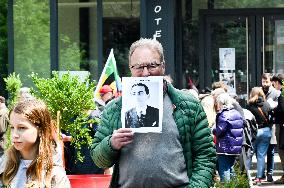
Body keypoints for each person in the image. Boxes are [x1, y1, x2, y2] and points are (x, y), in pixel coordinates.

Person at [91, 38, 216, 188]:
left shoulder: (188, 105)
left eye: (152, 66)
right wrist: (111, 144)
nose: (145, 73)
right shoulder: (114, 109)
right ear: (130, 68)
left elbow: (205, 155)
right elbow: (99, 160)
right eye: (138, 67)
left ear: (163, 66)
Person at [0, 99, 70, 187]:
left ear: (40, 130)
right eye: (12, 127)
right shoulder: (4, 165)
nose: (15, 135)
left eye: (22, 128)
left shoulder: (54, 174)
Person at [213, 93, 243, 183]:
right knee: (231, 168)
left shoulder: (224, 115)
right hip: (234, 147)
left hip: (225, 147)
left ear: (221, 103)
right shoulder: (236, 113)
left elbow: (219, 131)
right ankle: (235, 185)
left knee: (224, 169)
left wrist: (212, 129)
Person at [247, 87, 272, 186]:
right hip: (266, 131)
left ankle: (247, 178)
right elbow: (271, 118)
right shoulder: (267, 104)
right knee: (261, 156)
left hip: (254, 132)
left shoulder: (249, 105)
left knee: (249, 154)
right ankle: (258, 179)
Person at [260, 73, 281, 182]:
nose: (265, 84)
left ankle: (270, 173)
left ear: (271, 81)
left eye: (267, 81)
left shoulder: (276, 93)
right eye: (263, 81)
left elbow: (279, 107)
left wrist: (272, 106)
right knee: (261, 151)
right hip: (261, 125)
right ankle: (261, 173)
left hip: (272, 125)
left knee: (271, 151)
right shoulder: (258, 91)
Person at [271, 73, 284, 184]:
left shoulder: (282, 95)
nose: (273, 85)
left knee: (281, 150)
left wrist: (274, 109)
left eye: (274, 83)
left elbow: (282, 110)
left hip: (282, 127)